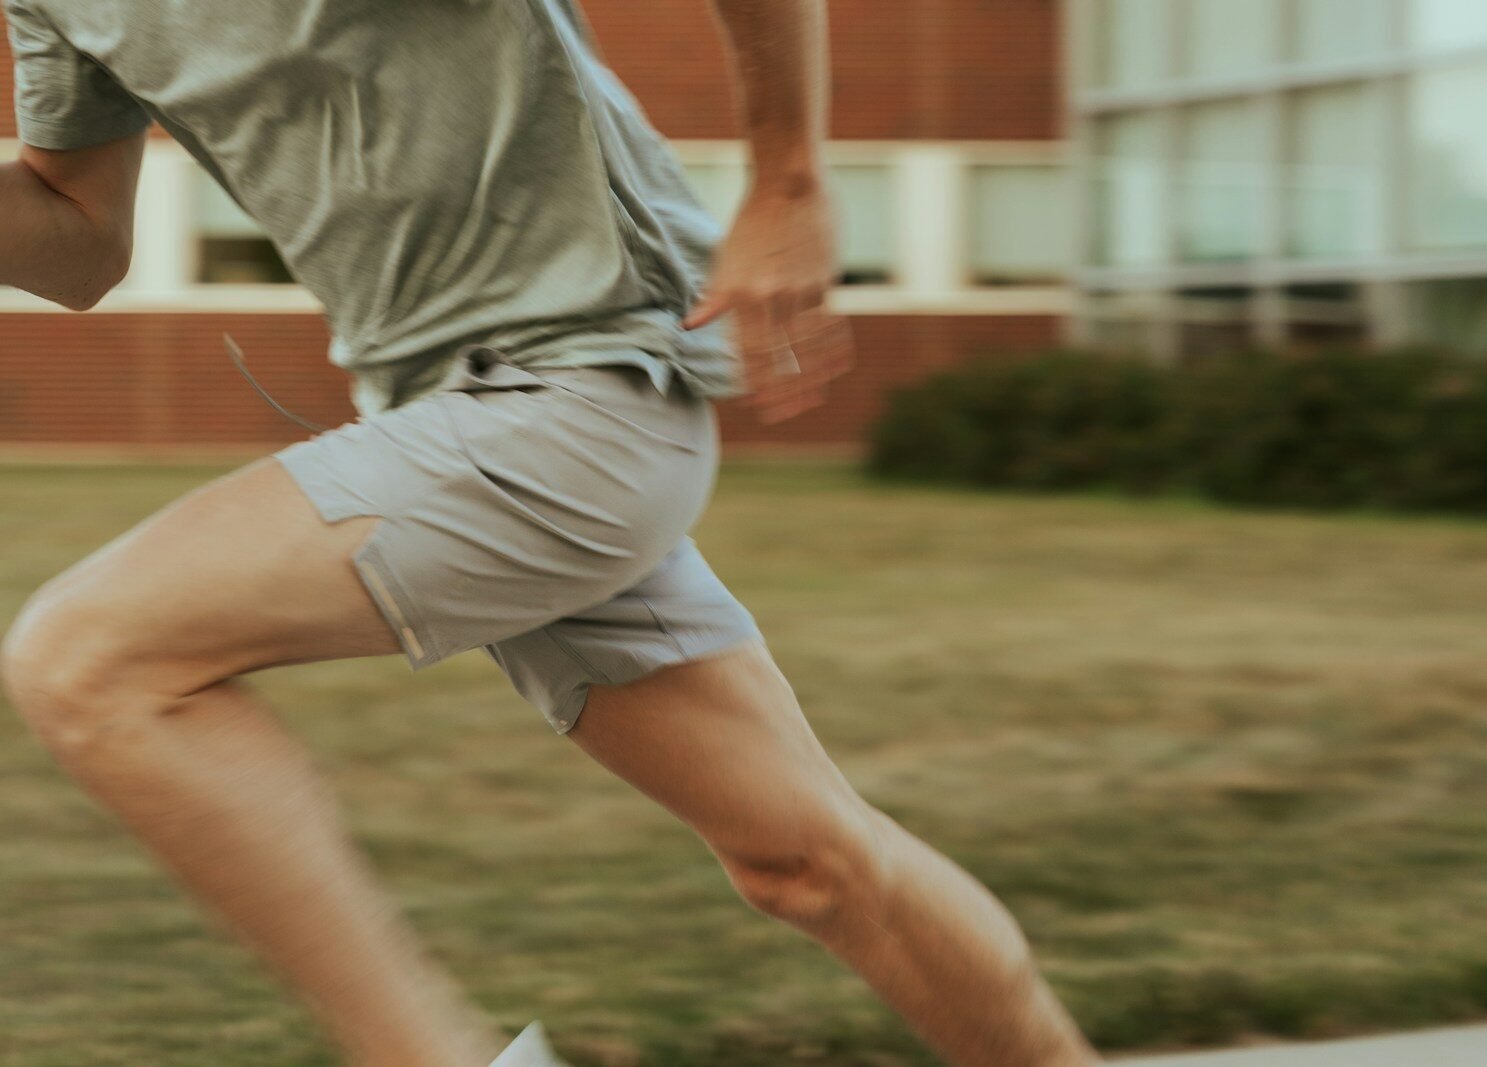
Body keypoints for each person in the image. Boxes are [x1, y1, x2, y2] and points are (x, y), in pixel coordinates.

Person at [0, 1, 1102, 1065]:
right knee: (808, 862)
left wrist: (790, 181)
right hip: (447, 412)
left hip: (588, 381)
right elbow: (79, 239)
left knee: (91, 661)